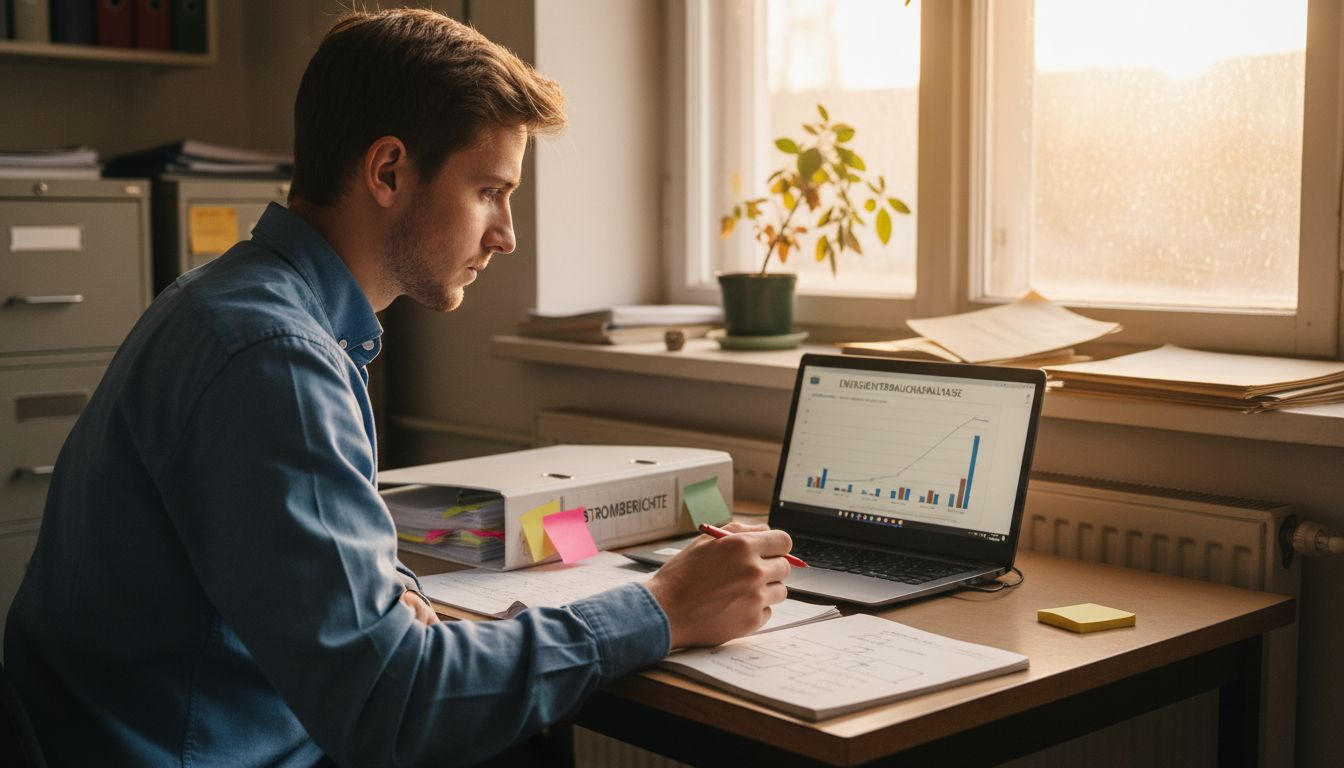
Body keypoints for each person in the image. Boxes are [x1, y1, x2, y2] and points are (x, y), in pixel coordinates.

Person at [3, 9, 794, 767]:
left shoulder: (243, 305)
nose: (506, 234)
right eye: (490, 191)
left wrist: (389, 596)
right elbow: (392, 707)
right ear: (388, 171)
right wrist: (662, 607)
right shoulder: (274, 356)